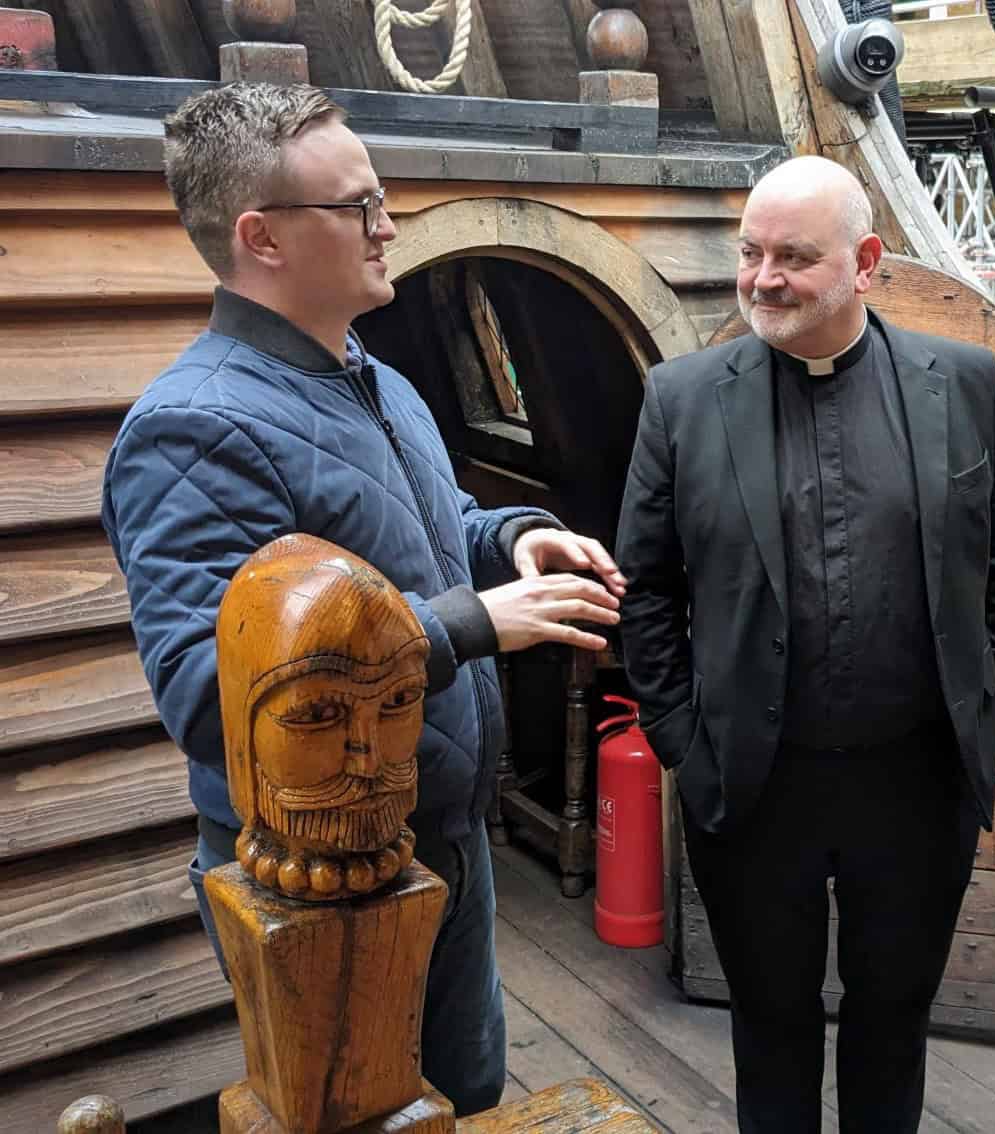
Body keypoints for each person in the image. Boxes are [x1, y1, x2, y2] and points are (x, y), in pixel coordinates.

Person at [101, 81, 626, 1118]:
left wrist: (513, 539)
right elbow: (215, 700)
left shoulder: (369, 376)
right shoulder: (190, 433)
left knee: (464, 1095)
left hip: (438, 837)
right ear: (262, 237)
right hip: (322, 888)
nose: (387, 225)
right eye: (357, 206)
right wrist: (475, 627)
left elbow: (424, 541)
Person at [615, 155, 995, 1133]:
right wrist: (684, 744)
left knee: (892, 1023)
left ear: (864, 262)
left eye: (793, 257)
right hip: (756, 788)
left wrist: (987, 712)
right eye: (750, 252)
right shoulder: (679, 400)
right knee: (769, 1029)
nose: (762, 277)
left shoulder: (963, 384)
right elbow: (644, 593)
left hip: (914, 785)